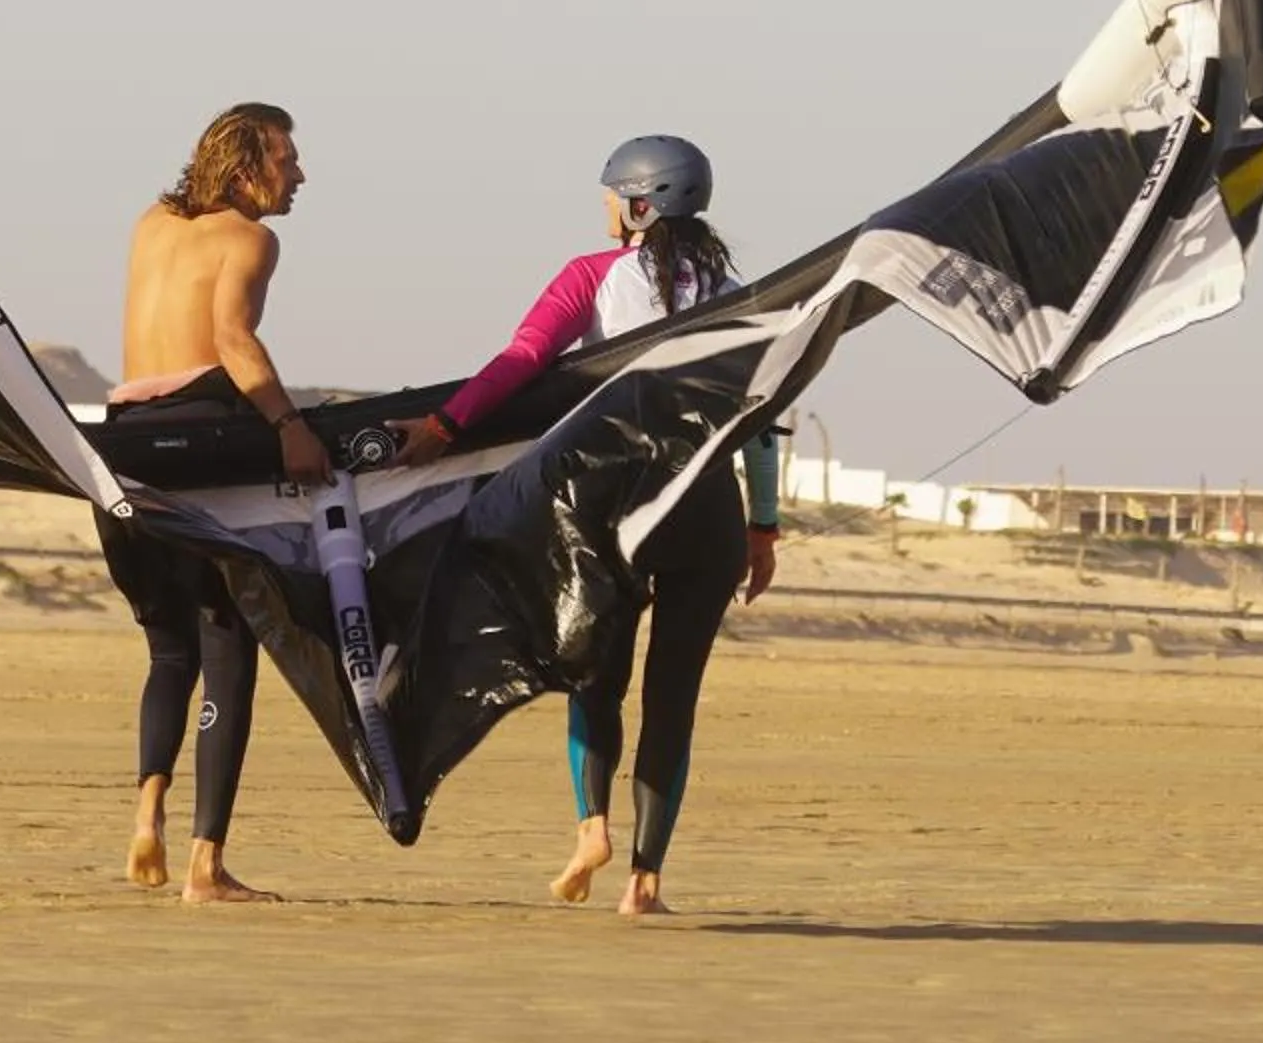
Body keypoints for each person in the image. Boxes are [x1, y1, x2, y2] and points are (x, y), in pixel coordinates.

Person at [393, 135, 781, 916]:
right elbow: (762, 422)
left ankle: (592, 829)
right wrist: (763, 527)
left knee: (596, 676)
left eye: (612, 196)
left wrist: (445, 422)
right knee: (674, 694)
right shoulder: (743, 295)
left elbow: (523, 358)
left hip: (613, 506)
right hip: (707, 509)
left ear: (641, 204)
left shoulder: (592, 277)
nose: (605, 207)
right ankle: (646, 883)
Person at [98, 102, 332, 904]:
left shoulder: (151, 223)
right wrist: (291, 427)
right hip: (201, 444)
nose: (300, 175)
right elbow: (232, 339)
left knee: (170, 652)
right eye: (287, 160)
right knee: (229, 646)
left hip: (121, 446)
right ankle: (205, 865)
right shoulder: (252, 239)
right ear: (245, 169)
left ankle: (147, 815)